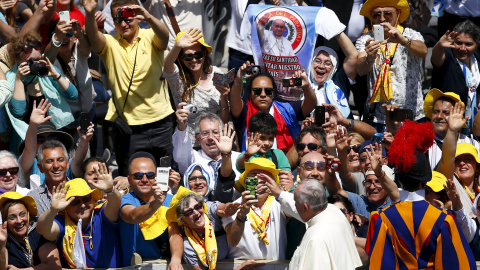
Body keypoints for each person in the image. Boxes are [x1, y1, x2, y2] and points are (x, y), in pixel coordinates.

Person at [366, 120, 476, 269]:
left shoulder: (383, 218)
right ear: (425, 182)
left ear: (400, 179)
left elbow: (379, 264)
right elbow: (457, 264)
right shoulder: (443, 219)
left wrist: (379, 173)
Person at [82, 0, 173, 176]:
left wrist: (148, 16)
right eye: (117, 19)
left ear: (138, 17)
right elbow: (94, 37)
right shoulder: (110, 43)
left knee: (163, 176)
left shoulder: (149, 35)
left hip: (161, 123)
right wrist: (90, 13)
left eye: (128, 18)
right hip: (129, 128)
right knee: (131, 179)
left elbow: (165, 36)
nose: (123, 24)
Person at [355, 0, 427, 128]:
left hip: (411, 114)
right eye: (376, 15)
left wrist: (404, 41)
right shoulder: (366, 39)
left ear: (397, 14)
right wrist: (369, 58)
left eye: (387, 13)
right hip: (379, 116)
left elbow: (423, 51)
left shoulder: (410, 34)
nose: (382, 18)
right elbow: (360, 70)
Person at [6, 31, 78, 146]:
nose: (35, 65)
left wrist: (57, 76)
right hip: (25, 138)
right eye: (30, 62)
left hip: (52, 137)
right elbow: (18, 112)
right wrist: (19, 80)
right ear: (17, 60)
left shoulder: (45, 71)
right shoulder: (10, 78)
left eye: (37, 60)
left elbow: (73, 95)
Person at [36, 174, 122, 268]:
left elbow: (115, 204)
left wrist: (110, 190)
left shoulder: (101, 214)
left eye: (86, 199)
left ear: (92, 199)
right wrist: (53, 210)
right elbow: (42, 229)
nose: (82, 205)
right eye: (75, 202)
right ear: (66, 206)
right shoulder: (62, 221)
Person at [164, 29, 230, 144]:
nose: (194, 60)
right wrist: (177, 46)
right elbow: (167, 66)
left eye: (198, 55)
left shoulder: (216, 72)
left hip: (215, 142)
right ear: (180, 58)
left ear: (204, 54)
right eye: (188, 56)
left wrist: (224, 97)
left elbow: (224, 120)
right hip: (190, 144)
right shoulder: (178, 78)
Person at [118, 152, 183, 268]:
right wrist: (155, 204)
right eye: (138, 176)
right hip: (134, 267)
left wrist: (176, 260)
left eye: (150, 175)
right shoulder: (125, 199)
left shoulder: (170, 200)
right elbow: (132, 216)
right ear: (129, 179)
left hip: (165, 265)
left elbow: (174, 232)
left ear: (156, 177)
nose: (144, 179)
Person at [231, 71, 316, 152]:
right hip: (250, 163)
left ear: (273, 93)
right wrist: (239, 79)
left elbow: (311, 104)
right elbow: (234, 99)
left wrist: (306, 86)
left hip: (284, 163)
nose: (263, 95)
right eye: (257, 91)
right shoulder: (244, 111)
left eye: (268, 91)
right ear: (250, 93)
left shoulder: (287, 109)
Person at [222, 158, 288, 260]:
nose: (259, 180)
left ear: (273, 183)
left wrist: (280, 193)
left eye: (265, 177)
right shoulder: (233, 207)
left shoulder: (280, 204)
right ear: (245, 180)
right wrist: (241, 214)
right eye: (254, 175)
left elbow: (304, 210)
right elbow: (233, 241)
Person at [173, 111, 240, 201]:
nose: (211, 138)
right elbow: (181, 147)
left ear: (223, 134)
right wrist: (182, 127)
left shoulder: (238, 159)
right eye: (205, 133)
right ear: (197, 138)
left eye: (215, 132)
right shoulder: (191, 158)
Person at [431, 20, 480, 132]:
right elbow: (436, 58)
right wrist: (439, 46)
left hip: (471, 121)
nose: (462, 48)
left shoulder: (476, 59)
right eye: (458, 43)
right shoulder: (448, 56)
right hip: (446, 124)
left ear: (477, 45)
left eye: (468, 44)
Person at [0, 192, 61, 269]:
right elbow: (2, 268)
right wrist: (1, 244)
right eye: (12, 218)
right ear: (4, 220)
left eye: (22, 214)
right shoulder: (3, 236)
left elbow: (54, 266)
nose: (19, 221)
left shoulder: (39, 231)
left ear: (28, 214)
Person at [423, 89, 480, 169]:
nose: (439, 116)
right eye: (436, 111)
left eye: (446, 113)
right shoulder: (421, 144)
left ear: (458, 115)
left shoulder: (473, 144)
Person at [309, 31, 358, 117]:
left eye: (327, 63)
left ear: (334, 67)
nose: (321, 66)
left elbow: (353, 56)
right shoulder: (303, 82)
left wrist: (336, 30)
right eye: (317, 61)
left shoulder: (339, 80)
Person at [236, 111, 291, 178]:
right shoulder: (247, 156)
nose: (267, 143)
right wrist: (248, 154)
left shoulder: (278, 155)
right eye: (262, 138)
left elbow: (286, 178)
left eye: (270, 138)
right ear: (251, 135)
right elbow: (240, 165)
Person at [27, 140, 70, 216]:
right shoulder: (33, 198)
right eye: (49, 161)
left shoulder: (82, 190)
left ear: (67, 164)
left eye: (60, 160)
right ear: (40, 168)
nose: (56, 165)